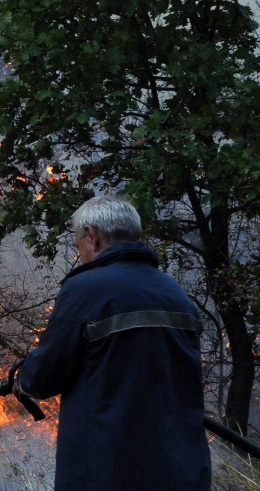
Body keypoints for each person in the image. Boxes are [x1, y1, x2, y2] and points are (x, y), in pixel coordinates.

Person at [14, 195, 211, 490]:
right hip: (182, 473)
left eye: (79, 243)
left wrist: (22, 378)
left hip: (106, 471)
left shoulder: (86, 289)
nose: (80, 253)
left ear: (92, 237)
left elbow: (43, 377)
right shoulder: (175, 294)